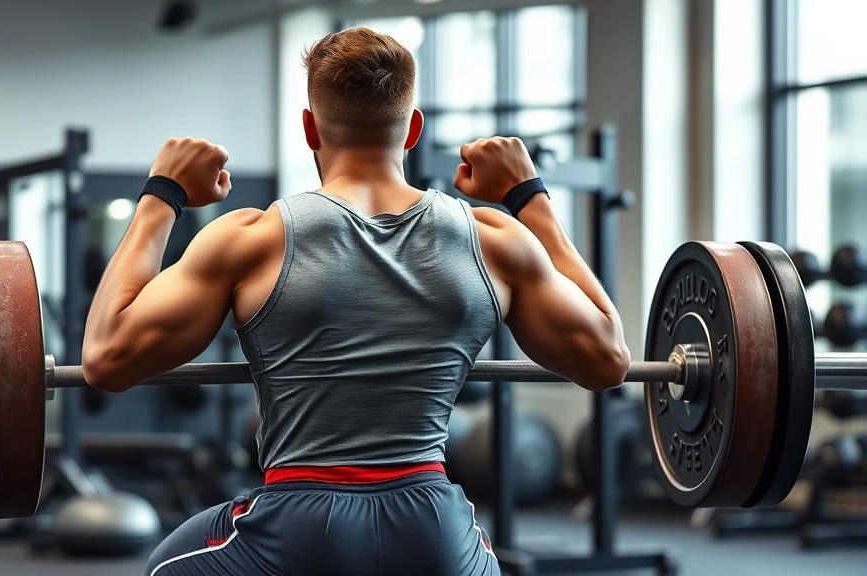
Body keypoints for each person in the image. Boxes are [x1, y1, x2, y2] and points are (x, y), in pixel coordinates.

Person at [82, 26, 630, 576]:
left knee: (164, 565)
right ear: (413, 129)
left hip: (297, 529)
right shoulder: (494, 239)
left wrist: (163, 194)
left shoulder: (250, 238)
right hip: (432, 532)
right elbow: (608, 359)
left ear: (309, 128)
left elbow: (106, 358)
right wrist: (528, 197)